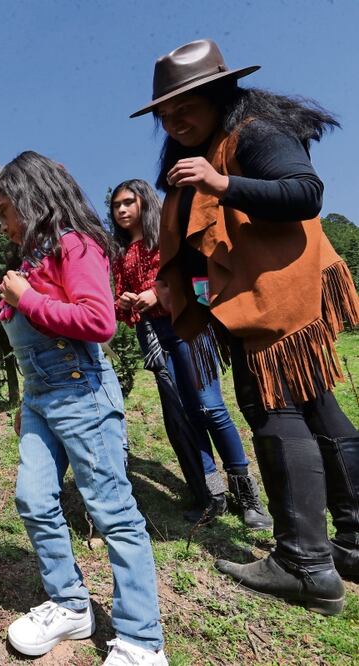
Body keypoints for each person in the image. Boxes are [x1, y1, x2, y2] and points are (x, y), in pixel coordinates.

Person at [132, 38, 359, 615]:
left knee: (275, 411)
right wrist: (184, 290)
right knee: (318, 410)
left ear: (220, 94)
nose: (174, 119)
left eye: (186, 105)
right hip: (253, 298)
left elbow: (305, 194)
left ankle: (305, 563)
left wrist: (222, 182)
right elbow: (198, 244)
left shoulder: (253, 132)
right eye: (165, 112)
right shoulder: (202, 151)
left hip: (281, 299)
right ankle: (352, 543)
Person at [0, 152, 166, 665]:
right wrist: (27, 399)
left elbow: (98, 321)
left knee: (111, 510)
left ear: (32, 200)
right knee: (33, 498)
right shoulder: (32, 259)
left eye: (6, 212)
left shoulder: (77, 245)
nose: (3, 226)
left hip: (82, 394)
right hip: (44, 399)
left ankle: (141, 639)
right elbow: (29, 348)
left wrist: (26, 300)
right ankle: (70, 603)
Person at [110, 179, 271, 529]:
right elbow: (123, 303)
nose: (121, 210)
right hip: (152, 335)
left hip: (187, 325)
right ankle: (212, 495)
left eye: (128, 202)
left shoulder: (166, 238)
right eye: (115, 205)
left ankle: (247, 495)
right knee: (184, 413)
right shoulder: (121, 253)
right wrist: (124, 302)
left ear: (144, 203)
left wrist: (155, 292)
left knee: (209, 407)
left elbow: (187, 274)